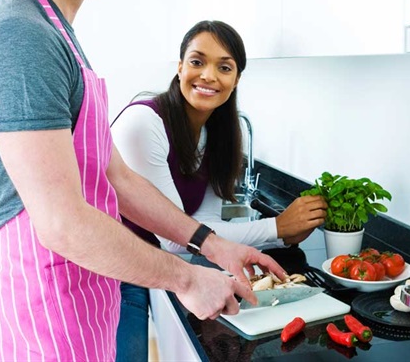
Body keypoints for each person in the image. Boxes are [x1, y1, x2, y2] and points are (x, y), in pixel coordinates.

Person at [0, 0, 286, 362]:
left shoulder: (58, 34)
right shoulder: (20, 35)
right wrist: (187, 277)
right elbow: (60, 223)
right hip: (38, 320)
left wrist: (211, 244)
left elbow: (116, 178)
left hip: (76, 303)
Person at [111, 20, 329, 361]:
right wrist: (278, 228)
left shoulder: (215, 135)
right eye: (197, 62)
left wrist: (282, 237)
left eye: (224, 67)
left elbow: (202, 223)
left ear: (237, 78)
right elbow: (175, 236)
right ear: (180, 66)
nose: (209, 75)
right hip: (108, 271)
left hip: (149, 265)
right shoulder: (144, 124)